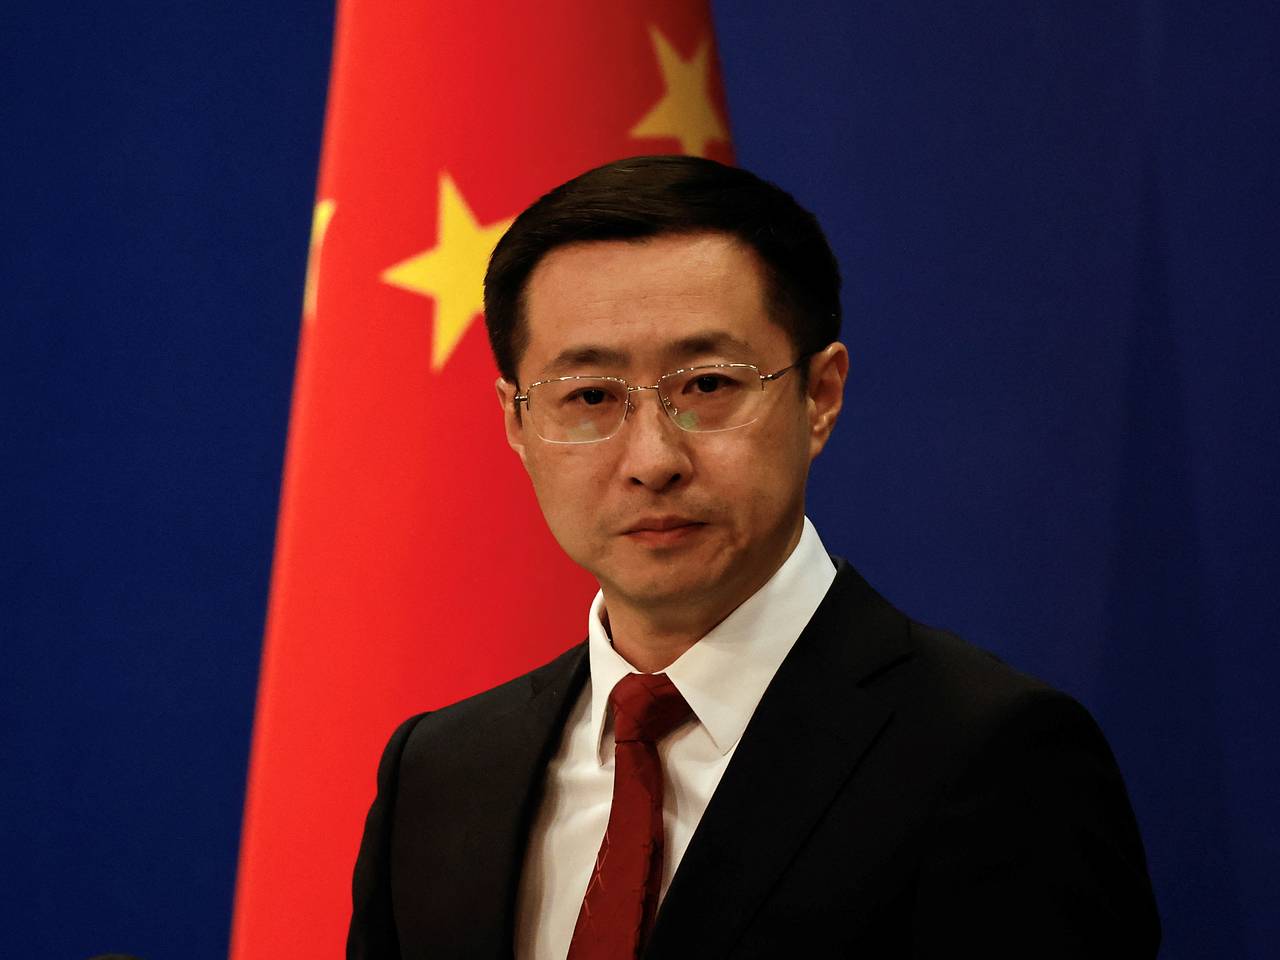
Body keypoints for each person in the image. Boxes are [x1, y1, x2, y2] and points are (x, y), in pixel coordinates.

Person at [347, 155, 1160, 958]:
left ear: (820, 395)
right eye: (590, 396)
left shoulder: (991, 758)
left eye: (707, 386)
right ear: (517, 424)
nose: (652, 460)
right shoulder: (440, 774)